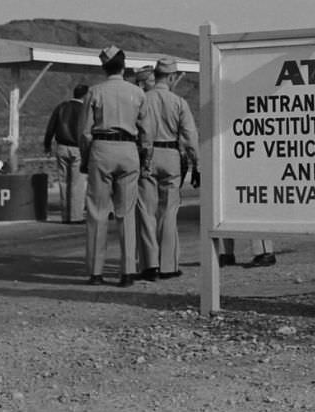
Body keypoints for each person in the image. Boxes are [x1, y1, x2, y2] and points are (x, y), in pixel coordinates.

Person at [79, 45, 153, 287]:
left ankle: (96, 272)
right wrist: (145, 160)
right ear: (124, 66)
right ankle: (127, 271)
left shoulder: (94, 92)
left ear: (104, 67)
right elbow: (146, 133)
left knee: (97, 212)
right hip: (129, 150)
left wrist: (86, 158)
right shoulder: (137, 93)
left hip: (101, 149)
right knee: (126, 212)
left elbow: (84, 132)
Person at [136, 55, 199, 281]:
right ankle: (168, 264)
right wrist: (196, 163)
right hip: (171, 155)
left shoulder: (142, 99)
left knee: (145, 210)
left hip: (147, 155)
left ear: (155, 75)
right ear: (172, 76)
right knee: (169, 211)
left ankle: (148, 264)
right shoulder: (179, 102)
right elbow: (190, 137)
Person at [43, 83, 89, 224]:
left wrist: (47, 145)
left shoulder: (61, 107)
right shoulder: (85, 109)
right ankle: (76, 216)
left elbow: (51, 127)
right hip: (78, 148)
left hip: (61, 147)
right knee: (77, 183)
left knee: (63, 182)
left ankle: (65, 216)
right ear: (85, 95)